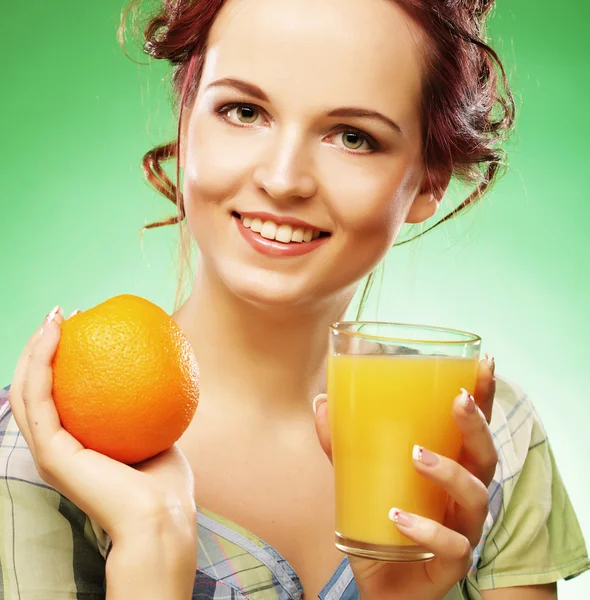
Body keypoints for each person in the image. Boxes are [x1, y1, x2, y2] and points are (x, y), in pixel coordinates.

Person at [1, 0, 588, 598]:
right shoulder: (41, 455)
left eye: (354, 137)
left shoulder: (481, 441)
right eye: (244, 110)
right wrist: (152, 548)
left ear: (429, 180)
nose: (283, 180)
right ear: (186, 117)